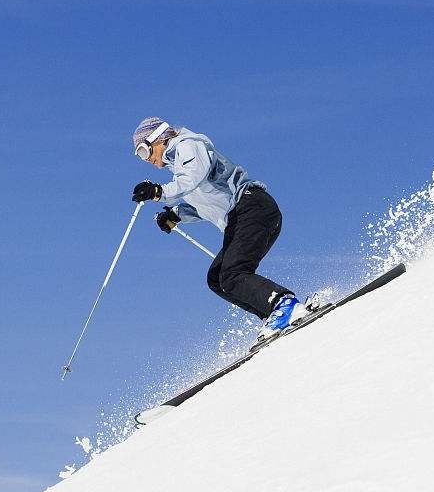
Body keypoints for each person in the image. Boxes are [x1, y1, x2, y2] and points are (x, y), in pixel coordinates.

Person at [130, 117, 306, 338]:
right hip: (243, 216)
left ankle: (284, 305)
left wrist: (159, 192)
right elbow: (205, 203)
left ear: (157, 139)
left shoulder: (188, 145)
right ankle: (274, 314)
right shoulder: (180, 168)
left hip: (251, 207)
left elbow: (193, 177)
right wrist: (175, 214)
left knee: (232, 273)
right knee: (218, 279)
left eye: (144, 152)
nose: (146, 160)